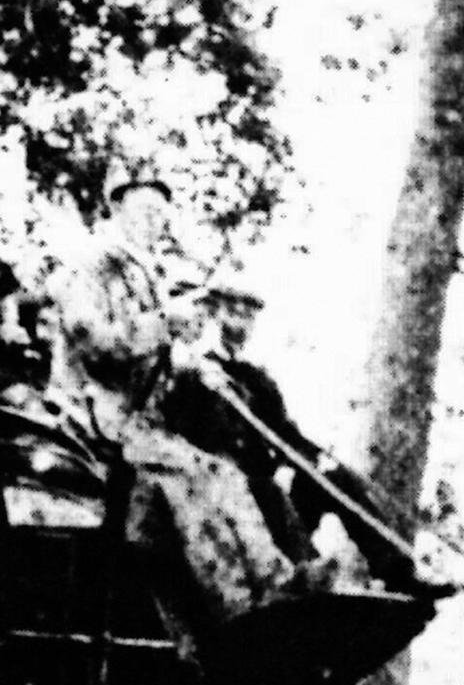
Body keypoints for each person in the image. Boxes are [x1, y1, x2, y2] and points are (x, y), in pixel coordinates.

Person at [46, 176, 336, 645]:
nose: (153, 222)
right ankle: (235, 601)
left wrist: (191, 368)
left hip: (137, 423)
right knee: (193, 477)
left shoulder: (145, 274)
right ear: (117, 211)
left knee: (223, 473)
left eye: (161, 214)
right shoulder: (90, 267)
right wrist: (164, 325)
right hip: (95, 417)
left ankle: (277, 579)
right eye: (142, 211)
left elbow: (151, 358)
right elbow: (96, 345)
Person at [162, 276, 450, 598]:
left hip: (267, 495)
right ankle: (305, 580)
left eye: (248, 316)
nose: (240, 324)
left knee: (337, 479)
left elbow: (286, 435)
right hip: (224, 498)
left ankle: (397, 572)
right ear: (211, 315)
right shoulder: (189, 374)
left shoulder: (256, 380)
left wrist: (315, 461)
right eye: (233, 312)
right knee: (268, 491)